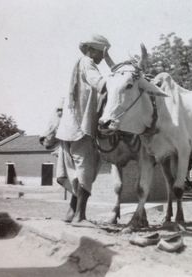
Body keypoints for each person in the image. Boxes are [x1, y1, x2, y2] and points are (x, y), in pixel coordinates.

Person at [56, 34, 115, 226]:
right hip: (82, 128)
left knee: (76, 171)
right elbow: (100, 84)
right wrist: (118, 75)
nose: (102, 57)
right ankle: (80, 217)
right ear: (95, 50)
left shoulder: (79, 63)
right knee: (85, 171)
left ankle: (71, 212)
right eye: (102, 53)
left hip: (69, 127)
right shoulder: (88, 63)